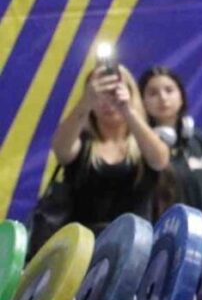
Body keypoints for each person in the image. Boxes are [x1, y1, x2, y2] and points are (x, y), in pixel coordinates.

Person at [32, 64, 170, 253]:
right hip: (81, 253)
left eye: (114, 91)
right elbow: (61, 148)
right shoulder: (82, 144)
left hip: (133, 251)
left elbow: (159, 160)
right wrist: (86, 102)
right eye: (101, 93)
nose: (108, 101)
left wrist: (128, 110)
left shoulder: (144, 142)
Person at [138, 66, 202, 211]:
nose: (163, 98)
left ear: (181, 97)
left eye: (169, 90)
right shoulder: (140, 146)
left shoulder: (201, 141)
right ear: (142, 102)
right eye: (153, 93)